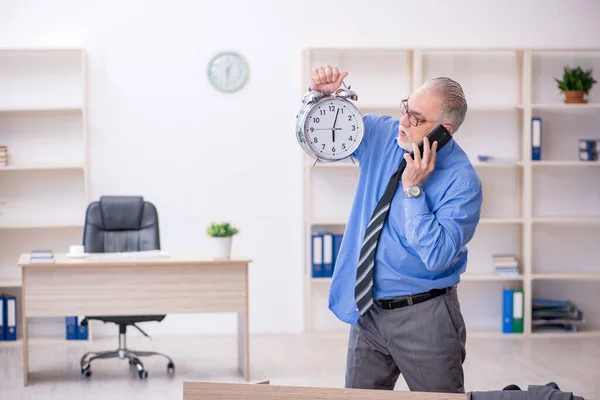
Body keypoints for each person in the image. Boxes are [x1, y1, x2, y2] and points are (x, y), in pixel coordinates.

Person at [310, 65, 483, 393]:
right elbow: (322, 140)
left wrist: (413, 189)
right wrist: (324, 99)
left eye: (416, 118)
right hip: (368, 311)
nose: (403, 121)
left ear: (443, 131)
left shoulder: (463, 183)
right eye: (406, 108)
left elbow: (437, 256)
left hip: (425, 317)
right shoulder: (382, 134)